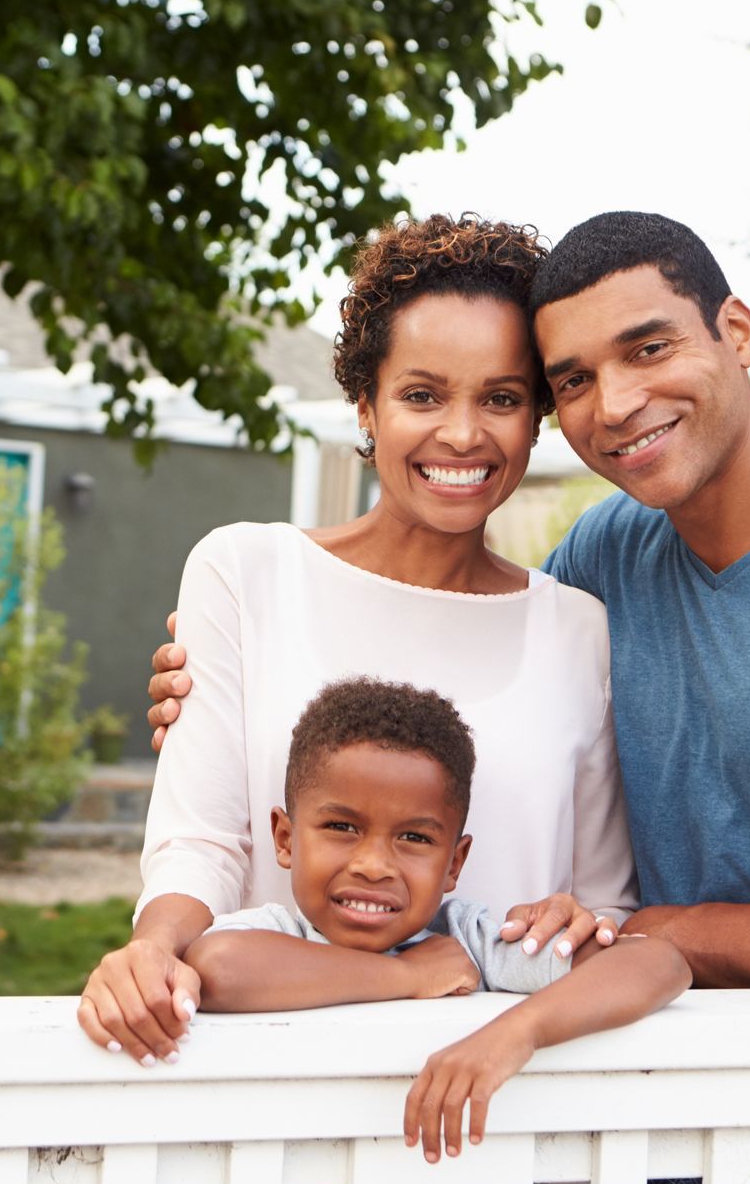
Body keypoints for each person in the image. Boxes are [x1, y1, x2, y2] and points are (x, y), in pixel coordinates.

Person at [149, 211, 750, 1184]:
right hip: (663, 1126)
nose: (617, 402)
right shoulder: (604, 565)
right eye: (575, 378)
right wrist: (214, 697)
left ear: (740, 332)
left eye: (650, 347)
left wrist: (660, 928)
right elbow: (454, 691)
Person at [77, 214, 641, 1066]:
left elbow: (608, 902)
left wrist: (589, 922)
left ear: (536, 420)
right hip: (279, 1073)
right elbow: (202, 838)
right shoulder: (244, 572)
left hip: (504, 1097)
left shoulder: (578, 627)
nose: (462, 434)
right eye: (422, 395)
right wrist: (155, 950)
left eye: (501, 398)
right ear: (366, 407)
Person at [187, 676, 690, 1164]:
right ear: (286, 839)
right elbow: (218, 967)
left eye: (414, 838)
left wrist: (514, 1034)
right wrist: (407, 975)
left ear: (454, 863)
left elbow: (658, 963)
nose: (373, 864)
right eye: (341, 826)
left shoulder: (469, 945)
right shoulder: (279, 933)